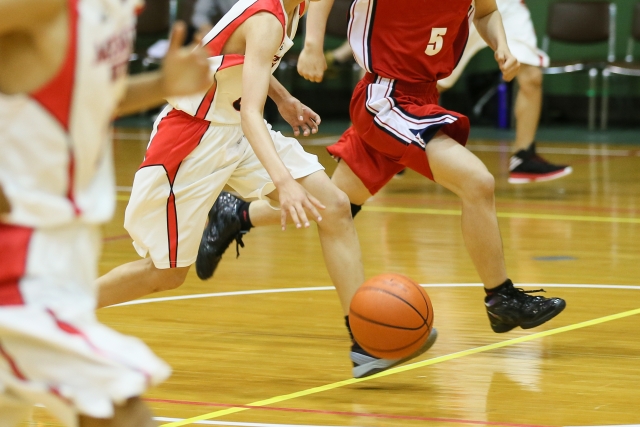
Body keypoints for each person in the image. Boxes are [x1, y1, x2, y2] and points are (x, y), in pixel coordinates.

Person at [94, 0, 434, 379]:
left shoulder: (292, 9)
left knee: (334, 206)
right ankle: (60, 313)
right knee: (165, 273)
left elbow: (239, 59)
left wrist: (284, 98)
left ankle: (366, 339)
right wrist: (284, 184)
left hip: (234, 129)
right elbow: (251, 113)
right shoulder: (266, 18)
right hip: (193, 139)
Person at [196, 0, 567, 336]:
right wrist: (313, 45)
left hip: (423, 93)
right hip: (387, 98)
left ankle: (238, 215)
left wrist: (500, 44)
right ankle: (500, 298)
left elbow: (486, 13)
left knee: (334, 206)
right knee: (478, 181)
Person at [0, 0, 212, 425]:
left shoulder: (116, 10)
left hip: (65, 251)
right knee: (120, 409)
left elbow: (89, 98)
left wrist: (162, 84)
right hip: (19, 258)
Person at [438, 0, 572, 184]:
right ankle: (395, 144)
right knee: (435, 82)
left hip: (508, 6)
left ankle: (523, 156)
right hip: (465, 6)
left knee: (531, 76)